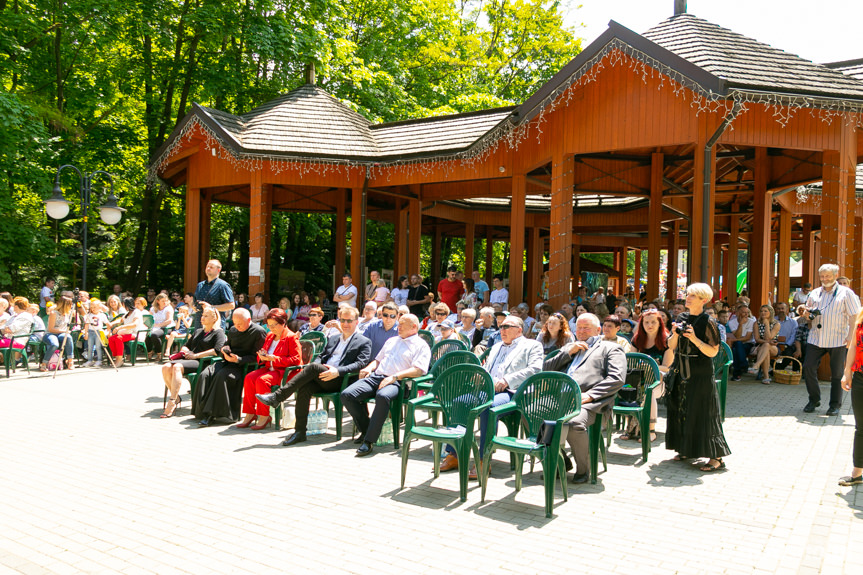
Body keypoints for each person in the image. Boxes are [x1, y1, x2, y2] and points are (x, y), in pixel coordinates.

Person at [438, 314, 543, 476]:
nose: (502, 330)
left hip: (514, 392)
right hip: (488, 389)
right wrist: (481, 375)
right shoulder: (496, 346)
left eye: (507, 327)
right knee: (460, 402)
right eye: (501, 327)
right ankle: (454, 454)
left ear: (519, 330)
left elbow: (535, 369)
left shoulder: (532, 345)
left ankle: (483, 460)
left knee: (488, 408)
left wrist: (508, 379)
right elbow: (487, 368)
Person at [255, 306, 372, 445]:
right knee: (305, 387)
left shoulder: (363, 341)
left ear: (356, 322)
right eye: (343, 320)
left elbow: (360, 364)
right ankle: (299, 432)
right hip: (323, 376)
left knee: (313, 367)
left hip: (341, 379)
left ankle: (278, 397)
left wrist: (337, 371)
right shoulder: (334, 338)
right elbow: (320, 357)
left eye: (349, 321)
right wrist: (319, 366)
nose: (345, 324)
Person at [543, 313, 627, 483]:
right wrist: (568, 353)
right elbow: (545, 368)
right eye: (579, 328)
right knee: (529, 411)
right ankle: (561, 461)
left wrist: (590, 395)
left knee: (574, 423)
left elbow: (617, 378)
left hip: (590, 403)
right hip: (560, 398)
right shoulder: (570, 347)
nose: (581, 331)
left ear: (597, 330)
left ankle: (583, 469)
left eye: (586, 328)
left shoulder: (610, 348)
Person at [341, 314, 430, 457]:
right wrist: (369, 368)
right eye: (398, 324)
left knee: (382, 396)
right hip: (377, 376)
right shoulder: (392, 340)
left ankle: (369, 441)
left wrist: (395, 376)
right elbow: (377, 360)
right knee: (347, 395)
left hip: (399, 383)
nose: (398, 327)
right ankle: (367, 429)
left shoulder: (421, 345)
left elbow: (419, 370)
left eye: (402, 324)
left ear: (413, 327)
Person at [666, 283, 730, 472]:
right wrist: (676, 334)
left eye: (693, 295)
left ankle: (717, 457)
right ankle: (687, 449)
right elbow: (671, 345)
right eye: (688, 294)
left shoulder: (708, 321)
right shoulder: (682, 317)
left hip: (701, 372)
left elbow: (713, 352)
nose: (688, 298)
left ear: (704, 300)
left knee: (704, 413)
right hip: (681, 368)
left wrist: (694, 338)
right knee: (682, 408)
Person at [801, 264, 861, 415]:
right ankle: (813, 399)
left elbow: (855, 315)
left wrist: (850, 336)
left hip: (838, 338)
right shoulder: (814, 293)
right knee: (808, 367)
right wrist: (805, 314)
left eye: (827, 276)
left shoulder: (846, 293)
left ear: (835, 275)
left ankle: (835, 405)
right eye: (822, 276)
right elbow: (807, 312)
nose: (824, 279)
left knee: (836, 373)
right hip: (816, 337)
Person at [194, 308, 266, 426]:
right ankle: (201, 411)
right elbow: (227, 346)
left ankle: (211, 414)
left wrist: (239, 359)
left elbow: (258, 357)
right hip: (229, 362)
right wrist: (225, 351)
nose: (237, 327)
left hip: (245, 366)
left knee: (221, 376)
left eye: (240, 324)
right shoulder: (233, 329)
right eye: (235, 323)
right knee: (205, 374)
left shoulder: (258, 332)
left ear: (249, 320)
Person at [237, 308, 302, 430]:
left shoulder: (291, 337)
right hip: (270, 368)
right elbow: (263, 355)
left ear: (283, 323)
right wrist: (262, 356)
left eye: (274, 325)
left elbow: (296, 360)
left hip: (284, 372)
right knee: (249, 378)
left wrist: (275, 359)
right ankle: (250, 413)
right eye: (269, 325)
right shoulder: (270, 335)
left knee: (262, 380)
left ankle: (264, 415)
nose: (271, 328)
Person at [160, 307, 226, 418]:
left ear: (214, 319)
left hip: (202, 362)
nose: (202, 318)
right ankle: (176, 398)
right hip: (190, 359)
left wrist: (196, 355)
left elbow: (216, 350)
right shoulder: (198, 331)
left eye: (206, 316)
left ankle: (171, 402)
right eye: (202, 315)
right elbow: (187, 345)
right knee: (166, 366)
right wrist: (185, 350)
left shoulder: (218, 332)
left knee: (176, 367)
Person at [628, 309, 674, 442]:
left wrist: (649, 366)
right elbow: (631, 362)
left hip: (660, 381)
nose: (650, 325)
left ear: (660, 323)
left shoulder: (667, 340)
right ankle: (632, 428)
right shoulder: (637, 339)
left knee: (649, 392)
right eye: (646, 322)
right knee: (629, 386)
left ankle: (650, 430)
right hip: (639, 379)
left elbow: (667, 367)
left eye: (653, 322)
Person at [839, 305, 863, 486]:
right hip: (861, 376)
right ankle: (857, 474)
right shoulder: (862, 314)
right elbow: (854, 344)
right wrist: (847, 372)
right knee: (861, 427)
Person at [193, 259, 235, 329]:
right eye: (207, 267)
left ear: (218, 270)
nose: (208, 268)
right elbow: (195, 303)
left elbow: (231, 305)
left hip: (215, 326)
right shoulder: (200, 285)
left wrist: (211, 307)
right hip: (199, 325)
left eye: (211, 267)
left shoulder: (223, 285)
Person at [107, 297, 146, 368]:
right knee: (111, 339)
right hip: (127, 333)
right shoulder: (127, 313)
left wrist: (120, 327)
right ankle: (117, 358)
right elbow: (120, 320)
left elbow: (134, 324)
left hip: (135, 334)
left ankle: (119, 360)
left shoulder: (136, 312)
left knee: (118, 338)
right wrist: (111, 323)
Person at [42, 296, 75, 372]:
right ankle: (44, 363)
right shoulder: (54, 313)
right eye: (70, 305)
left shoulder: (68, 313)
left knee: (68, 337)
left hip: (61, 334)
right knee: (54, 344)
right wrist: (64, 331)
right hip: (50, 333)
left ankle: (70, 361)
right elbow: (51, 329)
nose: (71, 306)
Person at [727, 304, 755, 381]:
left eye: (747, 312)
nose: (746, 314)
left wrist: (734, 340)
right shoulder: (732, 322)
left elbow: (747, 338)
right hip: (738, 344)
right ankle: (743, 364)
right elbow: (738, 336)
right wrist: (740, 324)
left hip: (748, 345)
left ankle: (737, 373)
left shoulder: (752, 322)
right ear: (737, 313)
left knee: (736, 349)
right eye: (743, 312)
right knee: (737, 346)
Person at [753, 304, 780, 384]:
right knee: (766, 347)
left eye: (765, 311)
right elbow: (757, 339)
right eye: (761, 311)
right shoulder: (756, 323)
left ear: (770, 312)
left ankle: (757, 365)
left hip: (774, 347)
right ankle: (766, 377)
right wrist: (767, 342)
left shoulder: (776, 324)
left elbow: (769, 338)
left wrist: (767, 324)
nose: (763, 313)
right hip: (761, 346)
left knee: (767, 346)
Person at [146, 293, 174, 360]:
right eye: (163, 301)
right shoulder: (153, 309)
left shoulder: (168, 308)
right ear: (158, 301)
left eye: (166, 300)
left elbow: (169, 320)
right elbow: (149, 318)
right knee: (147, 335)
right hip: (154, 327)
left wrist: (158, 325)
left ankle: (159, 353)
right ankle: (149, 352)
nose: (165, 302)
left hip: (166, 327)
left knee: (154, 335)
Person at [83, 299, 108, 367]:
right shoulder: (88, 315)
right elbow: (87, 325)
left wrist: (108, 331)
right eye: (92, 307)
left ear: (99, 308)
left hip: (98, 332)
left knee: (98, 347)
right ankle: (90, 360)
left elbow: (107, 323)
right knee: (90, 347)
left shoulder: (102, 315)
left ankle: (99, 360)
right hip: (91, 331)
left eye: (95, 307)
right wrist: (86, 333)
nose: (93, 309)